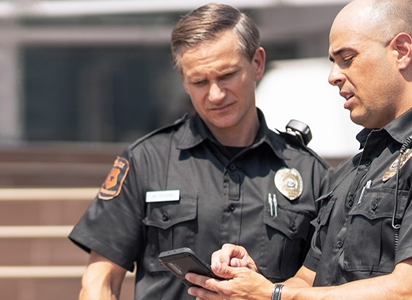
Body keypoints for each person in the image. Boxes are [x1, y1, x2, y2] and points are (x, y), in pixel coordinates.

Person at [186, 0, 412, 299]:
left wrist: (275, 296)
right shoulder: (353, 169)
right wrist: (250, 283)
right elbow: (309, 280)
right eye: (334, 62)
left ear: (402, 50)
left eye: (347, 59)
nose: (333, 76)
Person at [68, 3, 332, 300]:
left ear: (257, 63)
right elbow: (100, 279)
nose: (216, 94)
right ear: (184, 81)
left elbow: (319, 282)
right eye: (200, 82)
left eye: (227, 75)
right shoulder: (147, 161)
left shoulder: (310, 174)